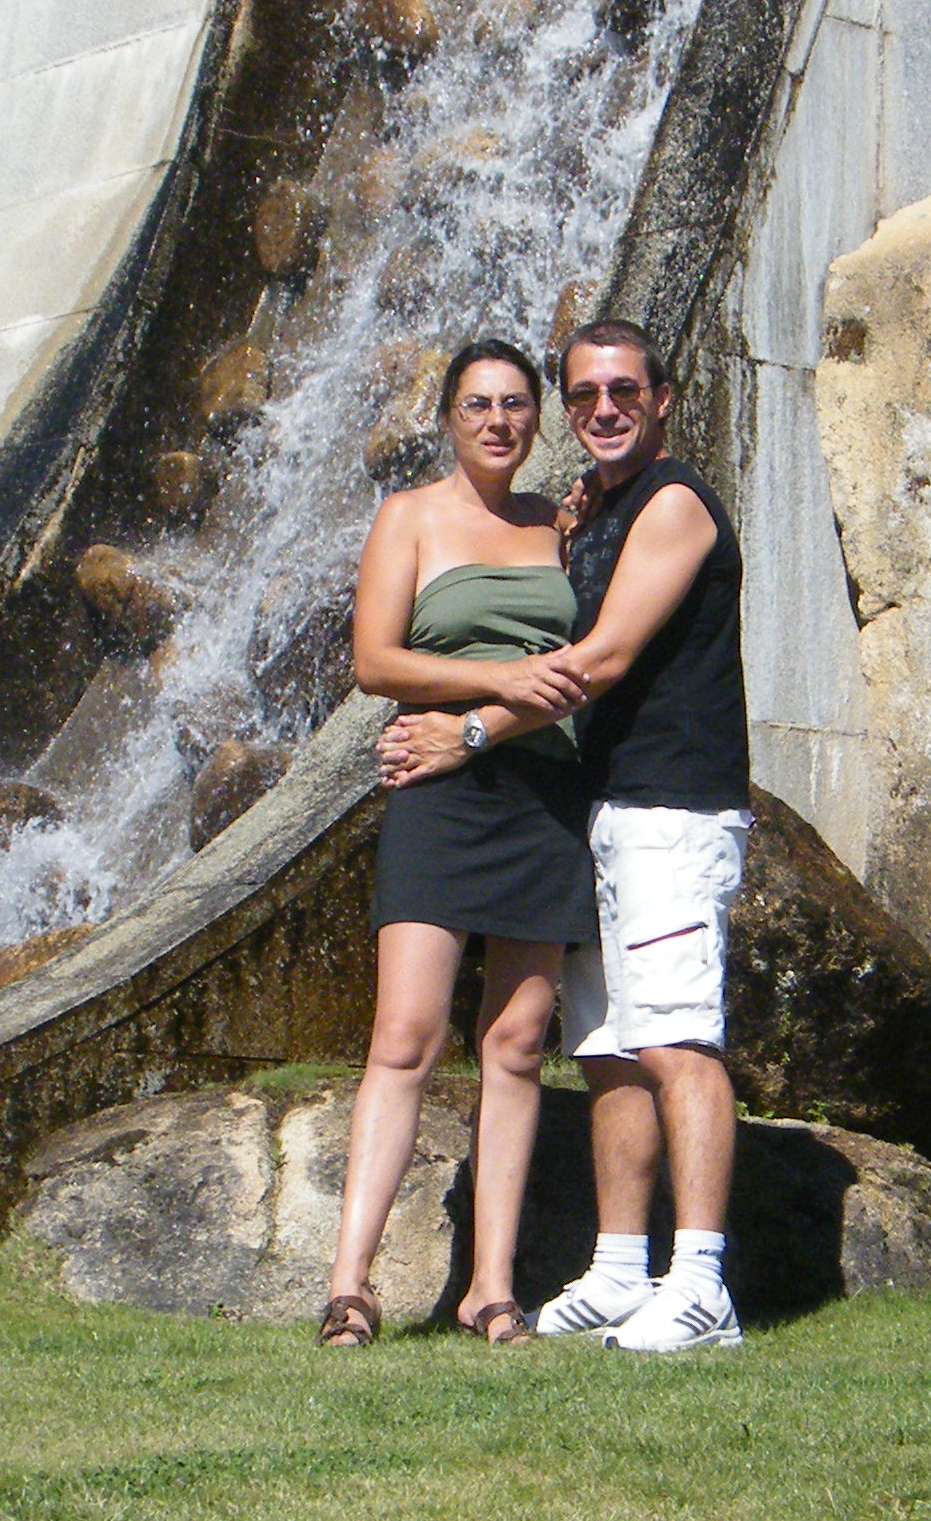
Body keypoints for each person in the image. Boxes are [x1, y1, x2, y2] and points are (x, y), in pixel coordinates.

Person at [380, 319, 750, 1354]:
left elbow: (601, 661)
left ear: (663, 398)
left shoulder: (672, 505)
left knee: (676, 1039)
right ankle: (623, 1268)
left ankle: (703, 1281)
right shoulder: (592, 510)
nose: (604, 408)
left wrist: (467, 730)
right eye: (584, 393)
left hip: (672, 808)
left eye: (624, 390)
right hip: (600, 812)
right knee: (608, 1048)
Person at [320, 341, 597, 1348]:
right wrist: (499, 682)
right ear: (447, 418)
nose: (497, 421)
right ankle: (350, 1284)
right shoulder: (409, 516)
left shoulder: (562, 524)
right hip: (439, 789)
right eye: (477, 404)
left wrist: (511, 703)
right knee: (406, 1035)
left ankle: (491, 1288)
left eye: (516, 404)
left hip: (546, 793)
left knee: (516, 1045)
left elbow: (592, 659)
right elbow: (375, 660)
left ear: (537, 420)